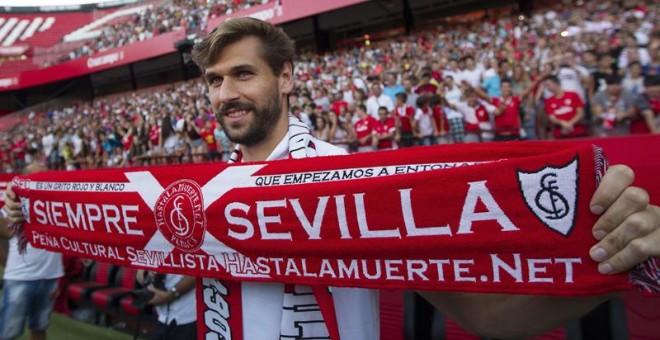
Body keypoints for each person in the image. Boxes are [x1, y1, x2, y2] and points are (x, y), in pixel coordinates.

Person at [4, 17, 660, 340]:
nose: (225, 92)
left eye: (243, 73)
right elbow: (100, 227)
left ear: (286, 78)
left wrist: (613, 265)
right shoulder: (195, 193)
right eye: (212, 80)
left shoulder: (351, 178)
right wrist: (23, 220)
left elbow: (486, 313)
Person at [0, 163, 63, 340]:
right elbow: (2, 232)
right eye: (38, 176)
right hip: (20, 278)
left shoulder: (57, 204)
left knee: (40, 328)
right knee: (8, 333)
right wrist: (5, 262)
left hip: (50, 277)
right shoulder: (13, 206)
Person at [136, 271, 197, 340]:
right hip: (163, 314)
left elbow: (197, 273)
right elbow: (141, 268)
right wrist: (144, 271)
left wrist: (171, 294)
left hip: (187, 313)